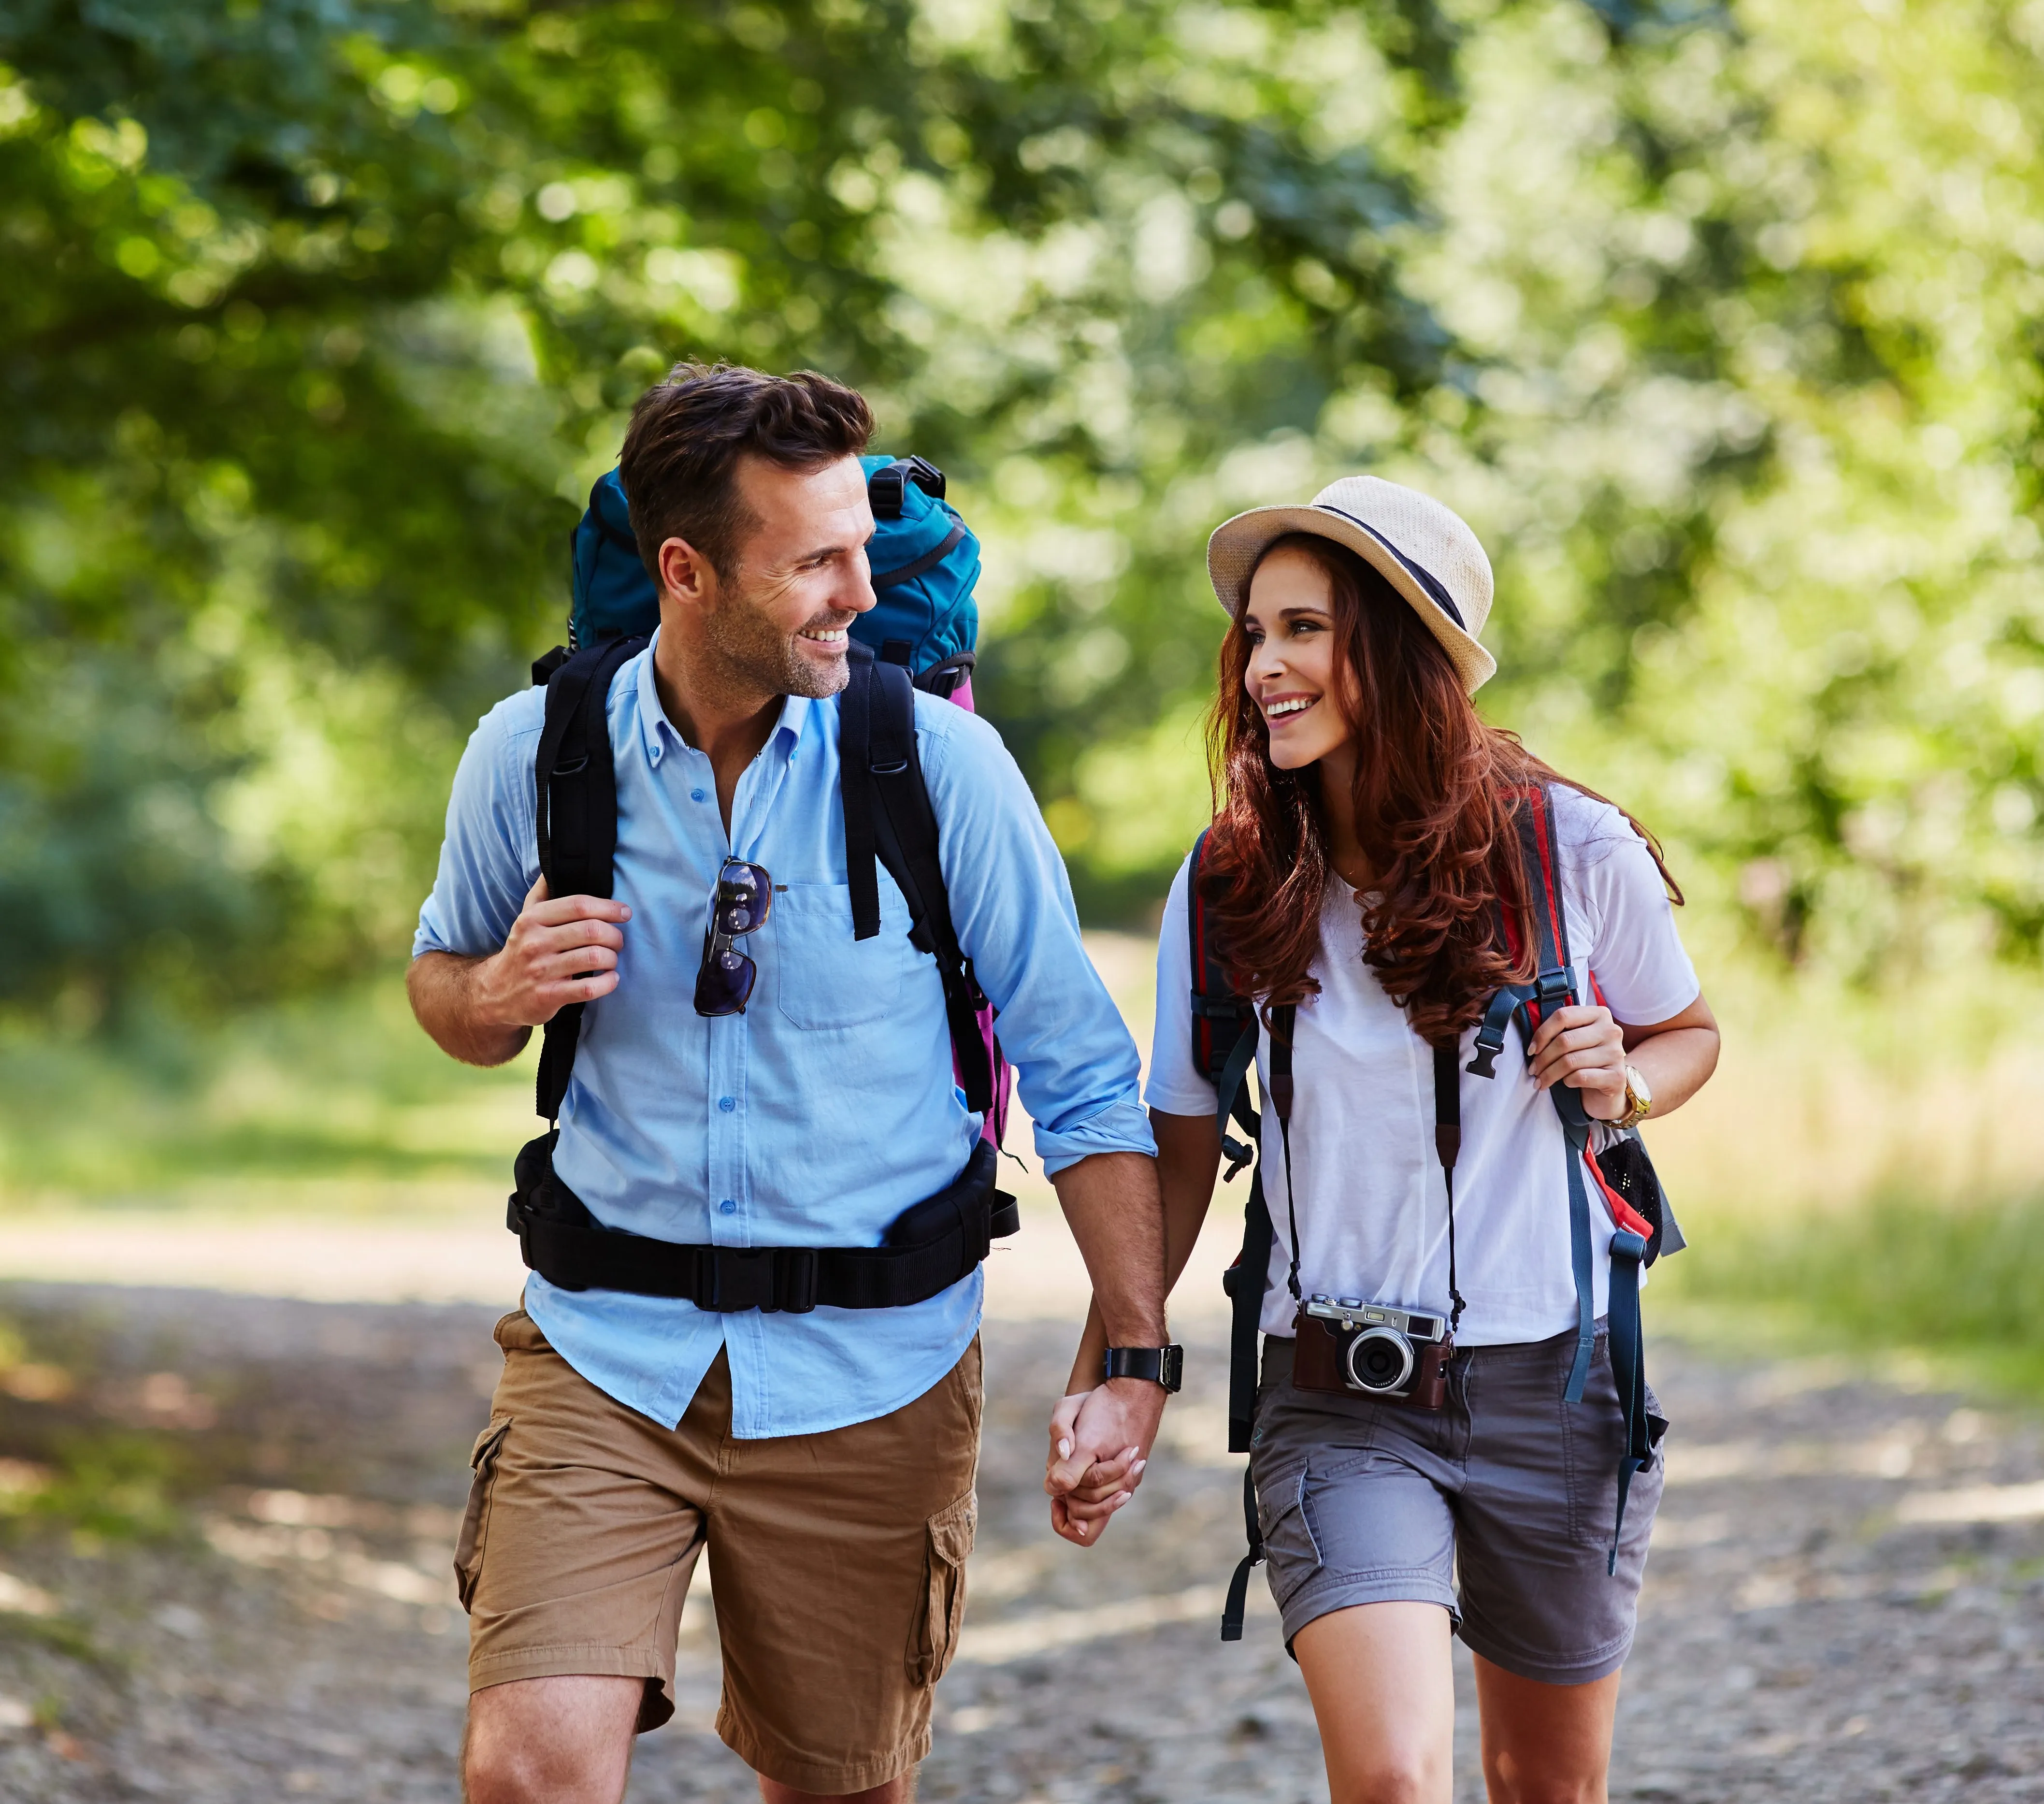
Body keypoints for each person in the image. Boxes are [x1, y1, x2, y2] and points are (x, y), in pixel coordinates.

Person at [407, 364, 1178, 1804]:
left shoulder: (935, 763)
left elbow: (1082, 1076)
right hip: (603, 1355)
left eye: (863, 550)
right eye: (814, 559)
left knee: (839, 1791)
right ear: (685, 572)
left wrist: (1131, 1352)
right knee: (525, 1770)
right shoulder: (535, 754)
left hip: (870, 1374)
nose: (854, 587)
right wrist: (494, 994)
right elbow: (442, 985)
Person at [1048, 476, 1721, 1803]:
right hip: (1340, 1395)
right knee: (1396, 1776)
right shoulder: (1231, 875)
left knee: (1545, 1788)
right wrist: (1116, 1368)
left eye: (1305, 629)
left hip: (1559, 1388)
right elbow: (1179, 1138)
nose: (1263, 666)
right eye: (1254, 633)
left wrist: (1622, 1077)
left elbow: (1689, 1031)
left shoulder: (1569, 848)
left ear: (1400, 652)